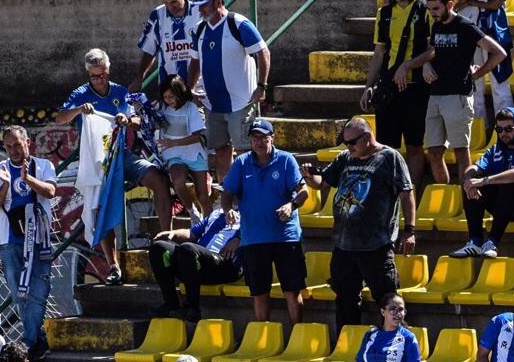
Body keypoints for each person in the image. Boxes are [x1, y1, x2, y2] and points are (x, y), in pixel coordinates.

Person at [57, 48, 172, 282]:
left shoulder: (119, 91)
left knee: (158, 179)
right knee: (103, 204)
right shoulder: (80, 94)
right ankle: (113, 265)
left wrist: (127, 120)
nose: (99, 81)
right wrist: (79, 110)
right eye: (94, 76)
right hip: (99, 160)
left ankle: (167, 237)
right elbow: (60, 117)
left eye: (103, 75)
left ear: (108, 71)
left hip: (123, 154)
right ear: (88, 75)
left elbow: (140, 121)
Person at [306, 117, 417, 333]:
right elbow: (323, 184)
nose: (349, 147)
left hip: (376, 245)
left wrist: (410, 231)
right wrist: (310, 177)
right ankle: (348, 346)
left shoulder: (389, 158)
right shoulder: (345, 158)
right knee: (345, 300)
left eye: (352, 142)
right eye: (346, 143)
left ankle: (396, 344)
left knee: (388, 300)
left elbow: (407, 194)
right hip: (344, 246)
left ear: (367, 137)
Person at [221, 118, 309, 325]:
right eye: (255, 137)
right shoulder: (241, 163)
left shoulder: (286, 160)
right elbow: (227, 193)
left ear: (272, 138)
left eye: (263, 137)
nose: (259, 142)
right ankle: (263, 337)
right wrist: (227, 210)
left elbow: (303, 191)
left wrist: (291, 206)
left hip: (285, 237)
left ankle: (298, 333)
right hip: (253, 238)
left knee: (292, 289)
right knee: (259, 292)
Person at [420, 0, 504, 185]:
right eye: (430, 9)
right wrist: (426, 65)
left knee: (461, 150)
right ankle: (444, 196)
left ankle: (467, 196)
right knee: (434, 151)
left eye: (436, 8)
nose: (432, 13)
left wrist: (477, 75)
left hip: (457, 95)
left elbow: (498, 53)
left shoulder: (465, 26)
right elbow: (433, 51)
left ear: (449, 5)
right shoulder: (437, 24)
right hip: (436, 94)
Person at [187, 0, 271, 180]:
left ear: (218, 2)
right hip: (213, 104)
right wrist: (189, 89)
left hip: (240, 103)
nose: (201, 10)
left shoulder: (238, 23)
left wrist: (262, 86)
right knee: (221, 151)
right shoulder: (199, 29)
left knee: (245, 151)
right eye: (199, 6)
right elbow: (195, 61)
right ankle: (227, 196)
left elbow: (263, 52)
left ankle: (251, 191)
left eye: (205, 5)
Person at [0, 126, 60, 354]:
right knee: (19, 294)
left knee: (39, 291)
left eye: (17, 145)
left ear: (27, 142)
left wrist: (27, 178)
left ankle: (28, 342)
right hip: (10, 240)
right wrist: (8, 184)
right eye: (8, 147)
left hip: (40, 238)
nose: (13, 151)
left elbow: (50, 191)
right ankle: (36, 338)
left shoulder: (44, 165)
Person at [364, 0, 433, 187]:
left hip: (416, 87)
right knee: (387, 147)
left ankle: (410, 193)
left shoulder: (424, 9)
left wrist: (409, 65)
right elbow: (379, 53)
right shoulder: (383, 14)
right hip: (389, 87)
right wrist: (368, 87)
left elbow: (434, 49)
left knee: (414, 144)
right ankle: (390, 193)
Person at [453, 106, 514, 258]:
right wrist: (469, 181)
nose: (503, 134)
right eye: (499, 130)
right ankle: (475, 241)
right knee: (469, 182)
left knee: (511, 180)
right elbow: (475, 167)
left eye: (508, 129)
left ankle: (492, 242)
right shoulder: (496, 149)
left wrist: (484, 181)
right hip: (508, 205)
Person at [456, 0, 514, 117]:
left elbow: (498, 2)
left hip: (494, 33)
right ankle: (479, 131)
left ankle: (508, 128)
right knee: (475, 82)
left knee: (499, 84)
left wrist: (473, 2)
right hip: (472, 33)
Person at [148, 208, 242, 321]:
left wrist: (239, 239)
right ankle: (171, 305)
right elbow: (192, 233)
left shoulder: (249, 213)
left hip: (227, 263)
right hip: (198, 259)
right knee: (159, 248)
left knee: (188, 249)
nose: (223, 195)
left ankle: (192, 308)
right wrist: (174, 233)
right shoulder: (218, 213)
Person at [155, 75, 211, 217]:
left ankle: (210, 224)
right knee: (178, 181)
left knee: (202, 195)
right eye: (165, 97)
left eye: (171, 96)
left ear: (179, 94)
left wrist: (173, 143)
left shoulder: (190, 108)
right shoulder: (162, 107)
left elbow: (197, 136)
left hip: (194, 154)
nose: (169, 100)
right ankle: (192, 212)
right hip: (174, 155)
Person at [136, 0, 197, 91]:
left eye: (173, 2)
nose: (170, 7)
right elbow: (149, 50)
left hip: (198, 89)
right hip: (169, 90)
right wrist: (139, 78)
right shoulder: (157, 15)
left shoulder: (199, 12)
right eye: (166, 3)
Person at [357, 292, 424, 362]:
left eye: (401, 310)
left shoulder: (408, 337)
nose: (398, 314)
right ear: (383, 312)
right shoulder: (370, 335)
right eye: (393, 309)